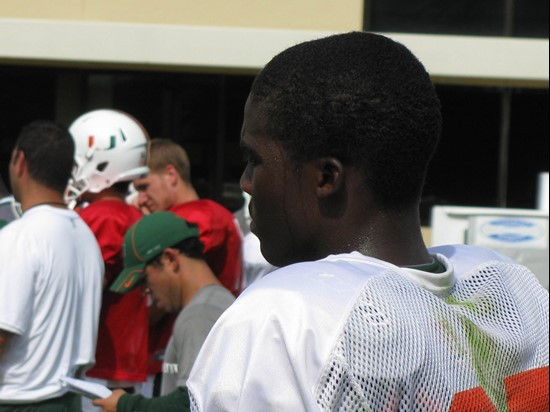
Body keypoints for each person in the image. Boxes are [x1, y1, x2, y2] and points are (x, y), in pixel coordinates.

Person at [183, 32, 549, 411]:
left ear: (326, 177)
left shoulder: (286, 317)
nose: (245, 182)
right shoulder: (512, 289)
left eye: (255, 159)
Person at [0, 121, 103, 410]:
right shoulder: (85, 236)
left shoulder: (18, 237)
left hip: (19, 401)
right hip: (69, 399)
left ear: (20, 161)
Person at [93, 211, 235, 412]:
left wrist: (125, 405)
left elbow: (190, 403)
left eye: (144, 280)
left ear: (170, 259)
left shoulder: (200, 313)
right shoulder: (215, 303)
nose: (145, 291)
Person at [132, 138, 243, 384]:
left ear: (171, 174)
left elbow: (170, 277)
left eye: (144, 187)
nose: (140, 199)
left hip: (193, 348)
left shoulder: (201, 214)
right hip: (186, 346)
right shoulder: (207, 212)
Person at [66, 109, 151, 402]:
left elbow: (82, 287)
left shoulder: (102, 217)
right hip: (124, 356)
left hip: (102, 359)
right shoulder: (132, 215)